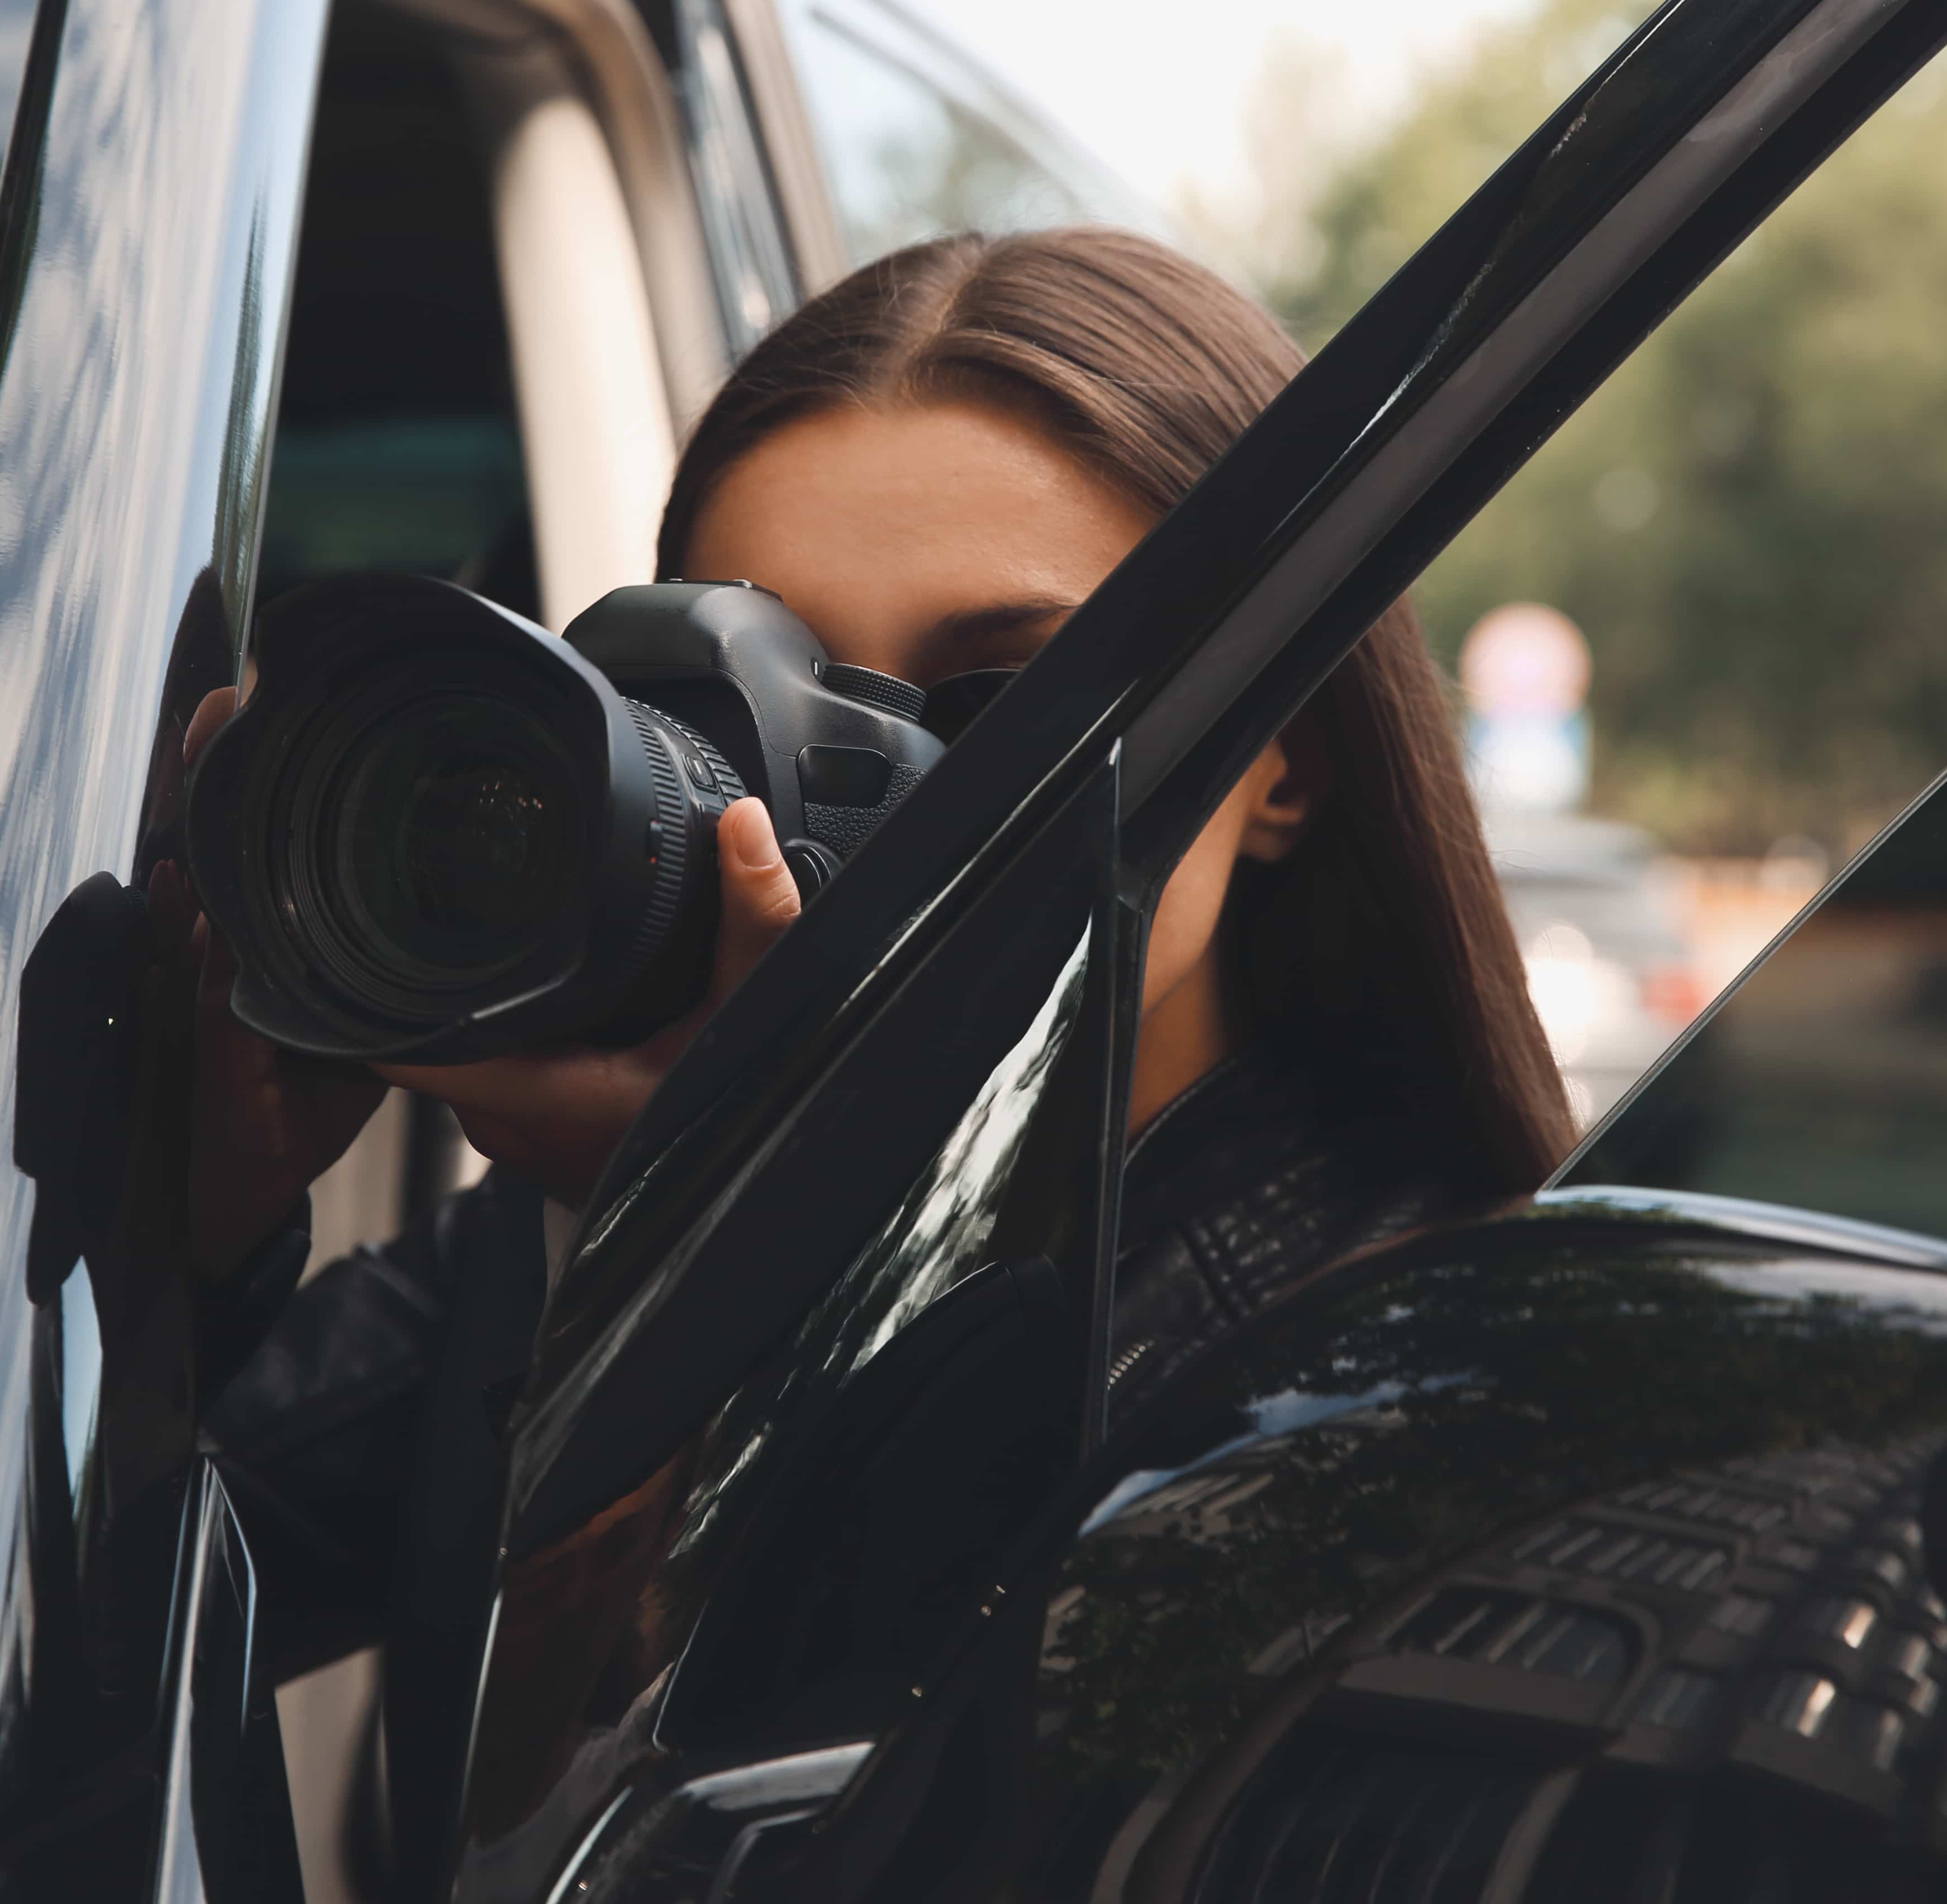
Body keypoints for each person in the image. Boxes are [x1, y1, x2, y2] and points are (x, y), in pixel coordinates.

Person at [182, 225, 1571, 1685]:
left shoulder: (1412, 1386)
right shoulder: (562, 1240)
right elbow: (20, 1682)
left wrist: (748, 1290)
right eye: (755, 694)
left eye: (1008, 701)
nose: (857, 786)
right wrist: (197, 1237)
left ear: (1286, 759)